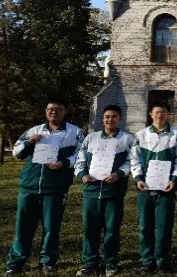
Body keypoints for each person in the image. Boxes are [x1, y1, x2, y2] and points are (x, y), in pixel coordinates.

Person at [4, 100, 84, 276]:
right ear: (46, 111)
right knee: (23, 227)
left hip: (55, 187)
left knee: (51, 228)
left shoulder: (75, 132)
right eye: (50, 109)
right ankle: (16, 263)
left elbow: (81, 154)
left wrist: (63, 163)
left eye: (58, 109)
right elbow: (16, 153)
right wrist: (29, 142)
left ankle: (47, 261)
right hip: (29, 186)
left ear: (64, 111)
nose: (54, 112)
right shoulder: (34, 130)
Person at [73, 105, 133, 277]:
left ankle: (111, 262)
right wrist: (82, 175)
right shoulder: (91, 138)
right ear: (103, 118)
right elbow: (79, 160)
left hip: (114, 191)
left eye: (114, 116)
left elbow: (132, 161)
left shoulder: (127, 139)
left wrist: (119, 174)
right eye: (107, 116)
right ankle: (89, 262)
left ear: (120, 119)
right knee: (89, 228)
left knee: (112, 228)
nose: (110, 120)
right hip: (91, 191)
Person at [131, 102, 177, 274]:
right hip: (145, 187)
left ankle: (162, 260)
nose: (160, 115)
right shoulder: (140, 135)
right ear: (150, 114)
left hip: (166, 188)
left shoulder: (176, 134)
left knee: (164, 226)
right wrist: (138, 178)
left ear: (168, 114)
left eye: (163, 112)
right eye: (156, 112)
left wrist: (174, 179)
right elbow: (134, 160)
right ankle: (147, 261)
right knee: (144, 226)